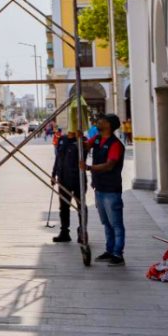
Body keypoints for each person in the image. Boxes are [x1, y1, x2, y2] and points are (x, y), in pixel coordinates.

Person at [84, 113, 126, 265]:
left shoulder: (115, 144)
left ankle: (118, 254)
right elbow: (84, 146)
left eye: (102, 120)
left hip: (111, 189)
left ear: (108, 125)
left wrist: (89, 167)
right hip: (99, 188)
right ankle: (109, 250)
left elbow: (110, 165)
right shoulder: (97, 139)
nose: (98, 122)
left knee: (116, 224)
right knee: (106, 223)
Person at [50, 125, 81, 243]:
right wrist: (53, 174)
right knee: (63, 207)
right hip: (63, 179)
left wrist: (79, 138)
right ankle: (64, 232)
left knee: (80, 206)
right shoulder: (62, 139)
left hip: (78, 179)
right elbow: (57, 158)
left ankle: (82, 231)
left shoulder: (81, 140)